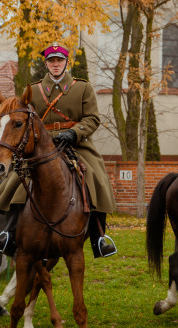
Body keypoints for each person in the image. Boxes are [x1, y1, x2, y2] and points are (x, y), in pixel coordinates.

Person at [0, 43, 117, 259]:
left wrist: (74, 132)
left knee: (96, 177)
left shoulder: (82, 88)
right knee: (16, 180)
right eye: (51, 61)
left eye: (59, 61)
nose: (55, 64)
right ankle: (9, 232)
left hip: (75, 143)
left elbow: (92, 118)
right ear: (46, 64)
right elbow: (21, 117)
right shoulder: (33, 90)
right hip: (39, 145)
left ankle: (99, 237)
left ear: (66, 63)